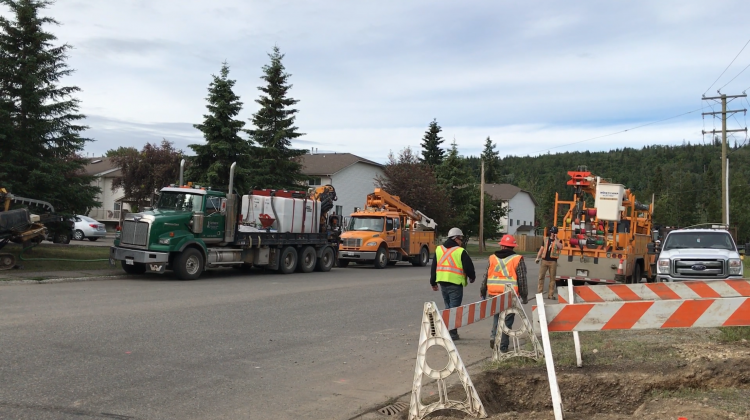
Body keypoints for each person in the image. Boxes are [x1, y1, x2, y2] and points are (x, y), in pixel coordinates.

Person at [430, 227, 476, 341]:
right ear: (456, 239)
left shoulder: (439, 249)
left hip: (442, 283)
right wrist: (472, 277)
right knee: (454, 309)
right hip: (455, 284)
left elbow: (434, 267)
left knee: (448, 307)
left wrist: (433, 282)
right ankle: (452, 334)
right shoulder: (460, 251)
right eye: (460, 239)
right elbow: (469, 267)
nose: (461, 242)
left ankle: (448, 330)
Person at [484, 234, 528, 352]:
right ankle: (503, 346)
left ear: (502, 245)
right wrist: (524, 296)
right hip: (509, 295)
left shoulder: (492, 258)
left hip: (494, 293)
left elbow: (486, 275)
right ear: (513, 246)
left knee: (497, 316)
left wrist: (483, 291)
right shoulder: (517, 259)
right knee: (507, 320)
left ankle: (494, 336)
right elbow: (522, 279)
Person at [535, 226, 563, 300]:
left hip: (553, 262)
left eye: (555, 232)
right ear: (550, 232)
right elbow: (541, 249)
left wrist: (556, 239)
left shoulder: (559, 241)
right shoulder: (545, 239)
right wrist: (537, 257)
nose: (553, 234)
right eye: (552, 232)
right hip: (544, 260)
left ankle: (550, 295)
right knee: (541, 277)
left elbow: (560, 247)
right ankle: (539, 293)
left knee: (552, 279)